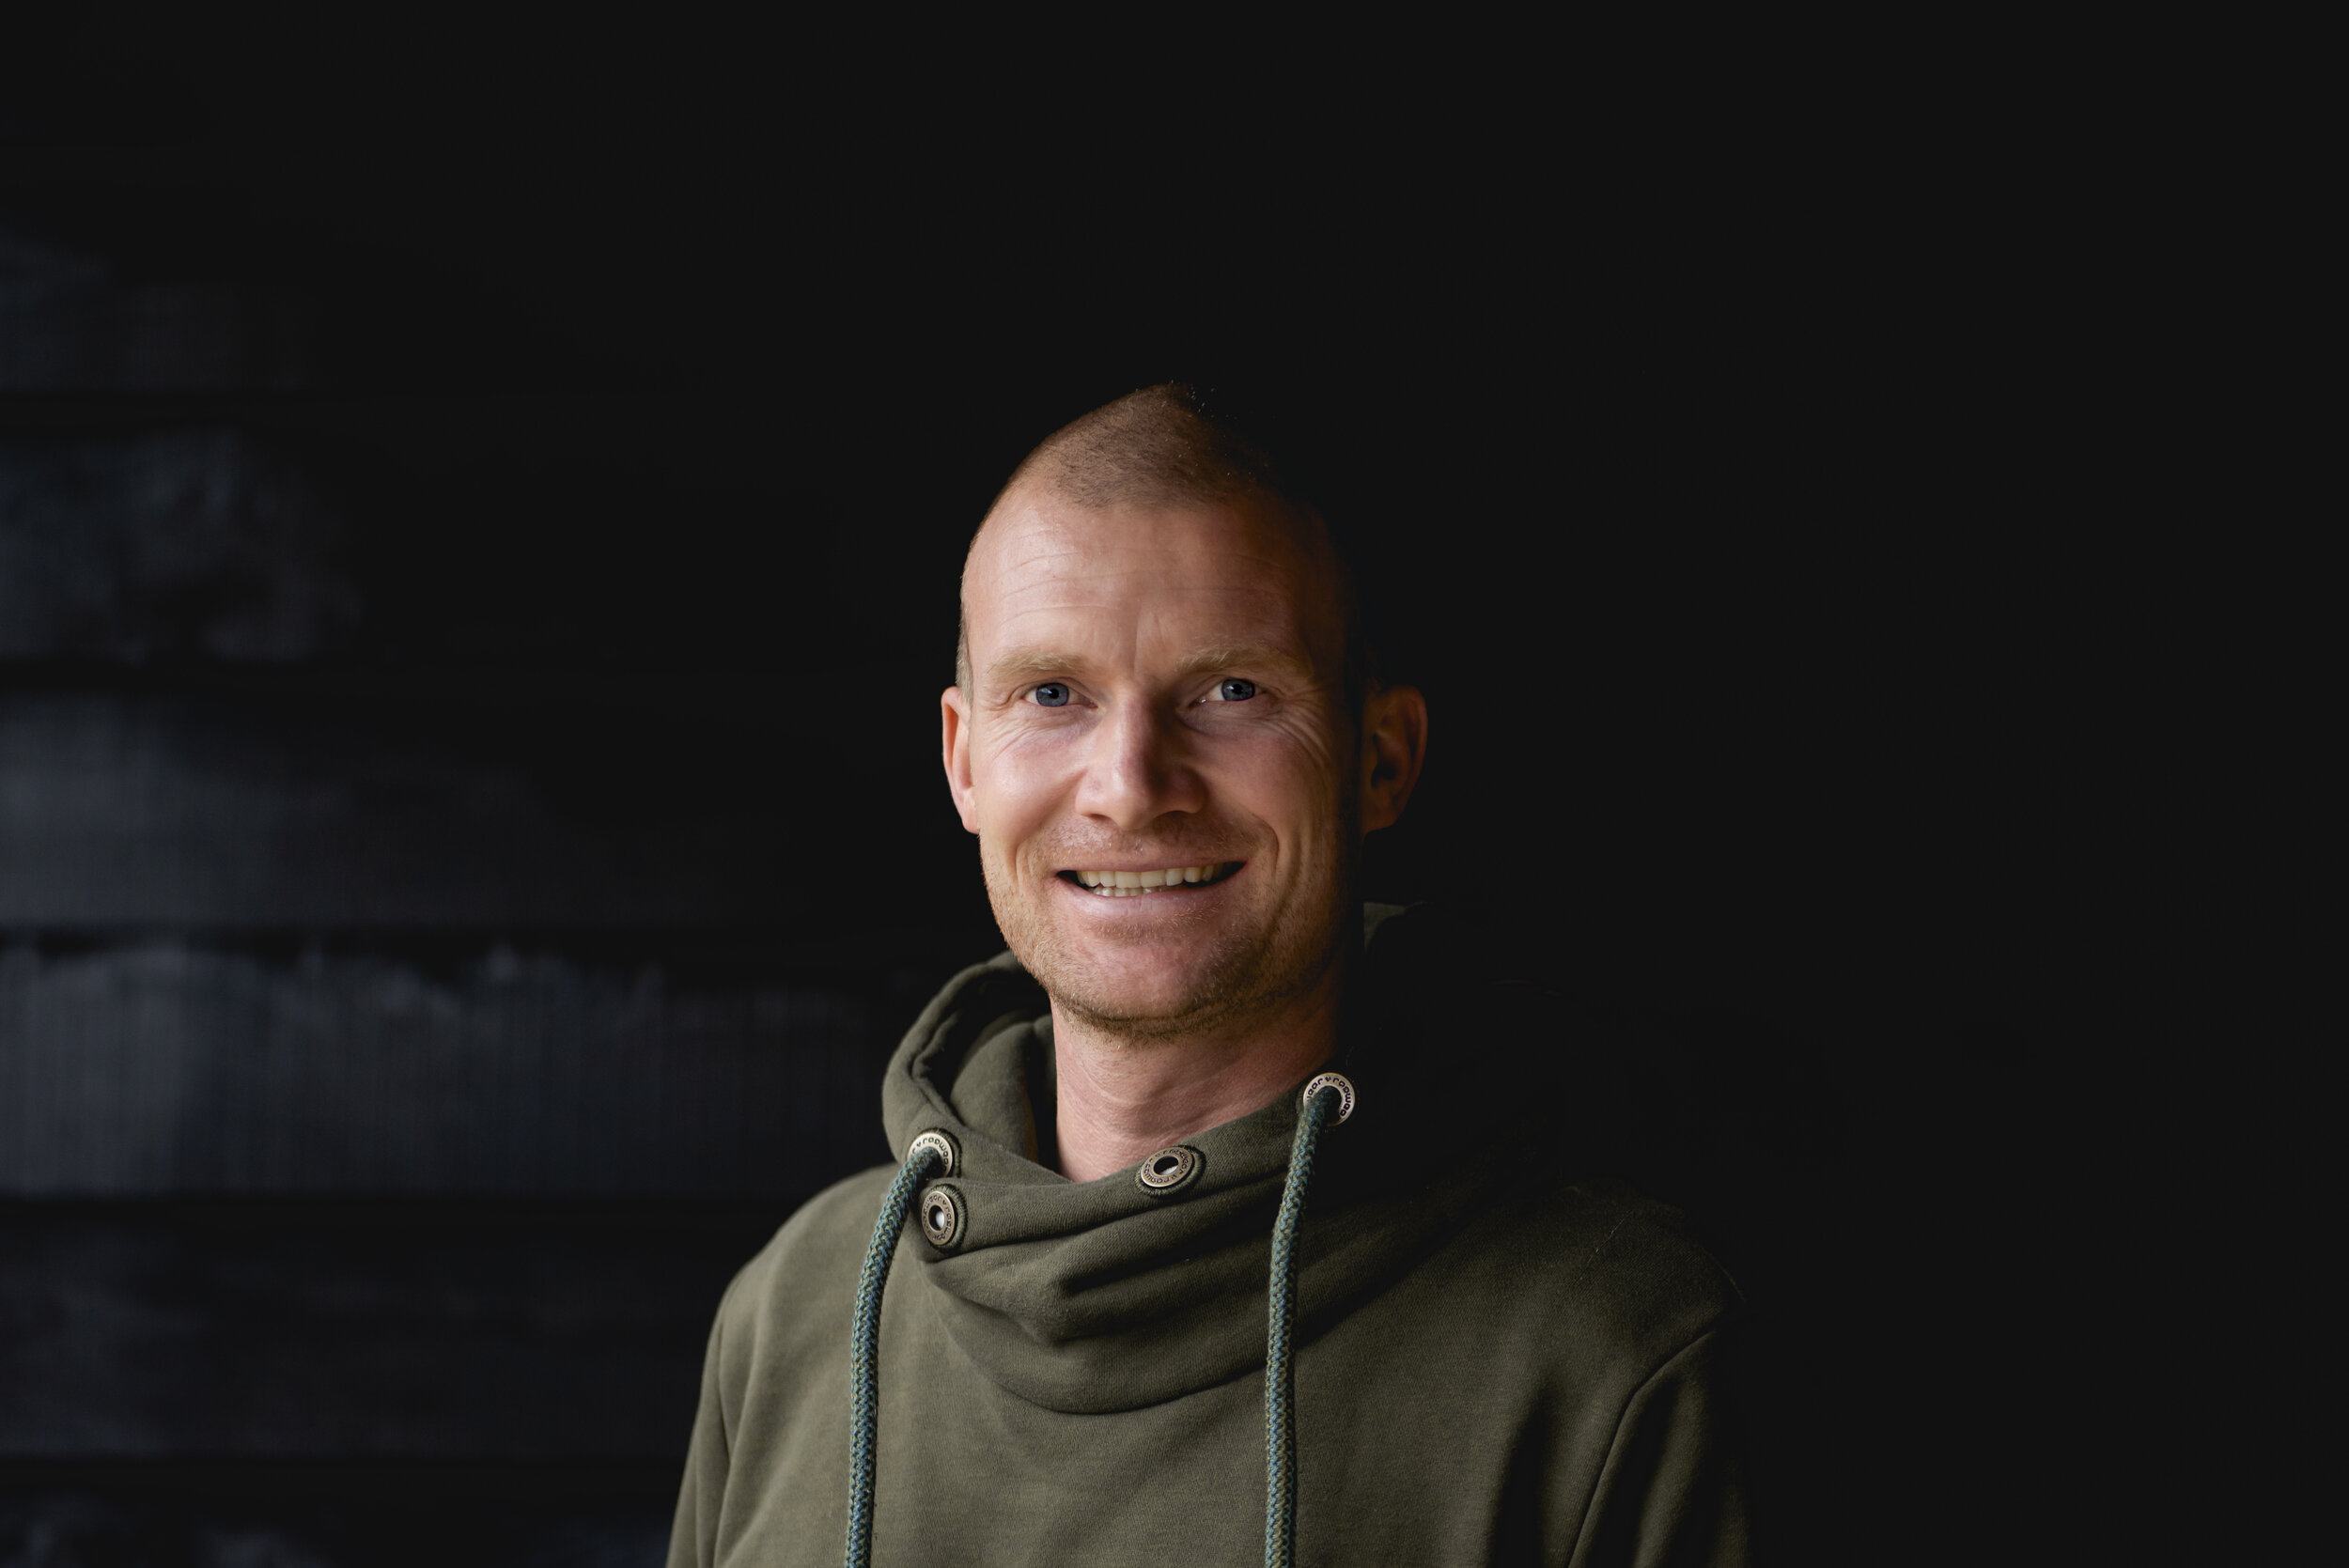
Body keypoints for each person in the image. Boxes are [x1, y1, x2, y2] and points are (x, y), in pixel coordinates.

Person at [666, 385, 1749, 1567]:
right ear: (963, 761)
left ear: (1381, 760)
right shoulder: (797, 1306)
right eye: (1051, 694)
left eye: (1231, 690)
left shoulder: (1617, 1355)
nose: (1131, 787)